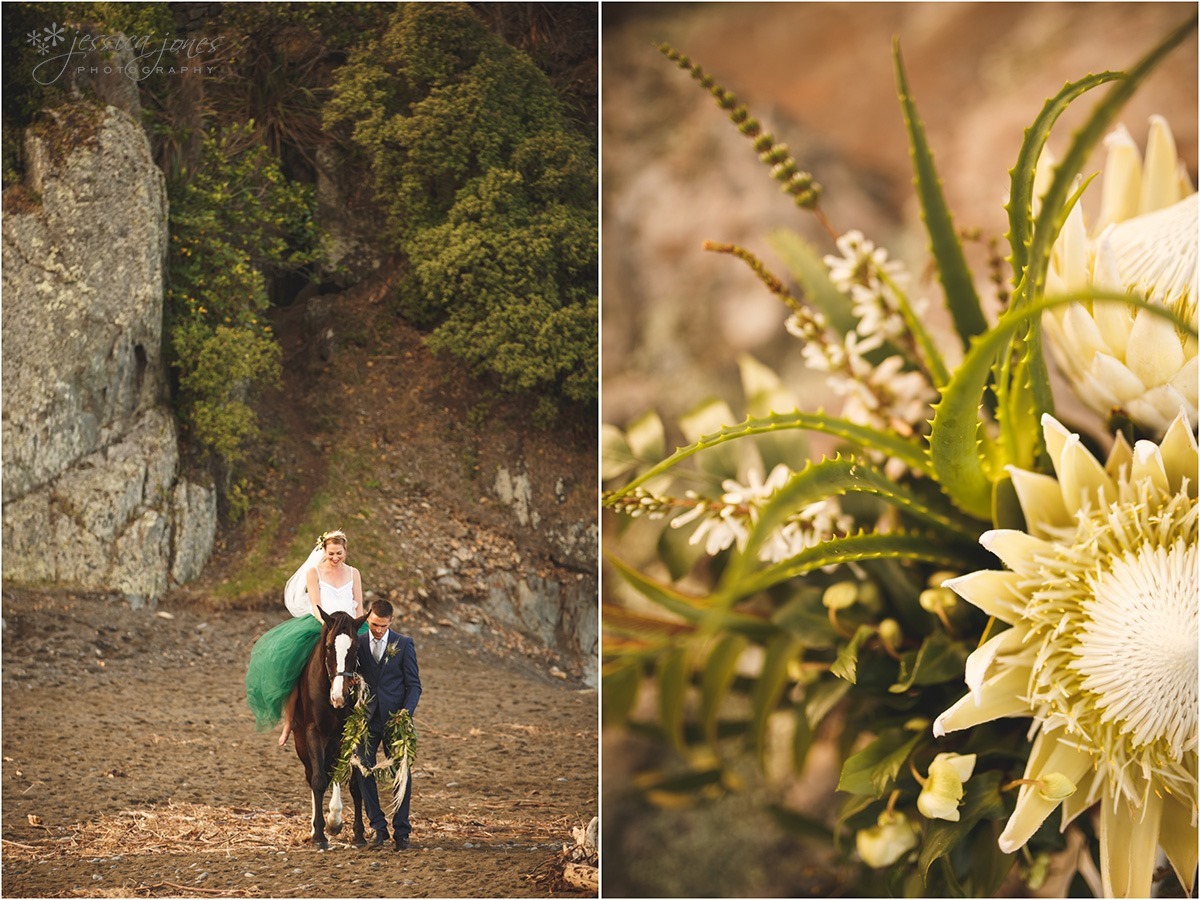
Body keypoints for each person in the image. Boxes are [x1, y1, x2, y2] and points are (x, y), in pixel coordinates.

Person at [245, 529, 364, 746]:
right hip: (322, 624)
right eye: (331, 554)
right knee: (295, 664)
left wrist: (354, 628)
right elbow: (316, 605)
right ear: (324, 552)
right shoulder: (314, 572)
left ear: (345, 550)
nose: (336, 558)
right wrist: (329, 626)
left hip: (349, 627)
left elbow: (359, 605)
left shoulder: (354, 573)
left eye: (339, 553)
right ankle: (290, 721)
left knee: (372, 660)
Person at [356, 598, 422, 850]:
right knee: (363, 768)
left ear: (391, 621)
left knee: (401, 772)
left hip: (397, 719)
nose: (378, 630)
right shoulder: (359, 642)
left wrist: (407, 712)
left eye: (383, 626)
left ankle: (402, 831)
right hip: (367, 718)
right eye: (374, 625)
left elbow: (414, 684)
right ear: (367, 617)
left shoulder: (404, 644)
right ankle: (378, 827)